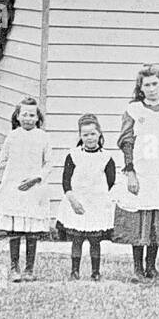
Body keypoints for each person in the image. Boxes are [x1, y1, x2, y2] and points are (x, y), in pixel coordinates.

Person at [116, 64, 159, 282]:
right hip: (141, 171)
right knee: (139, 218)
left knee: (157, 217)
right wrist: (131, 172)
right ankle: (137, 267)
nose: (152, 88)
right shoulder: (133, 110)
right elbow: (126, 141)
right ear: (140, 88)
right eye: (147, 85)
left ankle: (151, 266)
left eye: (155, 83)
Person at [0, 97, 55, 282]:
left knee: (32, 230)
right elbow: (1, 161)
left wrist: (36, 177)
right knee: (15, 229)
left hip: (35, 189)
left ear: (38, 118)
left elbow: (49, 163)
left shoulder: (43, 137)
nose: (28, 118)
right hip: (15, 189)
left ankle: (29, 268)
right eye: (24, 114)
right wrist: (16, 172)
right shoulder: (12, 136)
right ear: (17, 116)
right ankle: (14, 267)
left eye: (32, 115)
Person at [57, 114, 117, 281]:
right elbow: (66, 180)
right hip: (77, 203)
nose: (89, 137)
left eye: (92, 134)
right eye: (85, 134)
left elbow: (111, 181)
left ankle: (95, 272)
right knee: (77, 239)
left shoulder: (106, 157)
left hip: (96, 204)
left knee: (95, 240)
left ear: (99, 134)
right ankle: (75, 271)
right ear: (80, 136)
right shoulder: (73, 155)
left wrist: (98, 197)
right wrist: (73, 200)